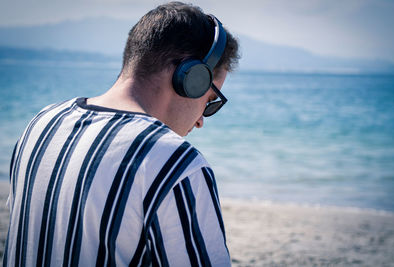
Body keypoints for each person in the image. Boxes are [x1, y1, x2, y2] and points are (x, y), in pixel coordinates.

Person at [3, 1, 239, 266]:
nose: (200, 122)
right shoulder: (175, 163)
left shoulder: (42, 125)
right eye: (210, 101)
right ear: (191, 78)